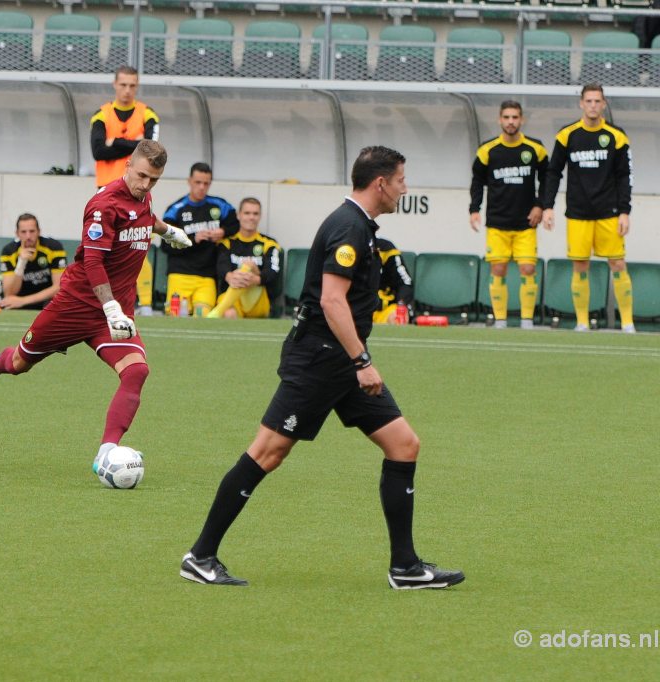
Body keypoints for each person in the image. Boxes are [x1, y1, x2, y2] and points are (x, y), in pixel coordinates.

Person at [180, 146, 464, 590]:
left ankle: (405, 567)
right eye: (402, 180)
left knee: (404, 444)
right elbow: (332, 301)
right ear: (381, 184)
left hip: (340, 361)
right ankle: (200, 555)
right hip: (320, 359)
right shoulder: (349, 227)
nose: (406, 188)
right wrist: (362, 361)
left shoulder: (361, 226)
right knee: (267, 452)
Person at [0, 141, 192, 470]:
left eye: (154, 180)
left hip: (113, 313)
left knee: (136, 371)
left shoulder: (143, 197)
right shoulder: (103, 205)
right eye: (142, 175)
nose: (145, 184)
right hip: (77, 305)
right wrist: (111, 308)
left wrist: (167, 231)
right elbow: (94, 264)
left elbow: (145, 218)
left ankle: (106, 453)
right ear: (128, 164)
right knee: (19, 363)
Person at [543, 84, 635, 333]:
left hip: (610, 211)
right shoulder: (567, 135)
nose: (593, 105)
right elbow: (553, 172)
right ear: (581, 104)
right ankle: (582, 322)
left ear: (603, 104)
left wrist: (625, 211)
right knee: (580, 265)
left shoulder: (616, 135)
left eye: (597, 101)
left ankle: (628, 323)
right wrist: (547, 207)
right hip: (578, 212)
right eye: (589, 101)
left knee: (617, 264)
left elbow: (624, 175)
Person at [469, 100, 548, 330]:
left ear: (521, 120)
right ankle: (500, 320)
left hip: (526, 223)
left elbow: (548, 178)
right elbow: (477, 182)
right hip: (497, 222)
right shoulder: (487, 150)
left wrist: (540, 205)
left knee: (527, 269)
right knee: (498, 269)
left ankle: (526, 321)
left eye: (515, 117)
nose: (511, 122)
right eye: (506, 117)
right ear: (499, 120)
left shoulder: (535, 148)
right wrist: (474, 209)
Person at [91, 66, 160, 318]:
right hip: (107, 193)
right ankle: (103, 301)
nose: (127, 90)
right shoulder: (101, 114)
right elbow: (98, 151)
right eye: (123, 85)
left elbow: (152, 151)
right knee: (102, 250)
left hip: (138, 192)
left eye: (132, 85)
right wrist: (133, 145)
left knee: (138, 244)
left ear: (137, 86)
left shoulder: (148, 114)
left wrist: (116, 143)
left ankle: (146, 303)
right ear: (114, 84)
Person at [162, 162, 239, 316]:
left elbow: (235, 225)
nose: (202, 187)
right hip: (180, 273)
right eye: (198, 182)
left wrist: (223, 231)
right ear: (189, 181)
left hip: (207, 276)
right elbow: (166, 246)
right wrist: (192, 239)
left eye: (206, 183)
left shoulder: (220, 206)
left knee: (203, 315)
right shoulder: (175, 210)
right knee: (175, 316)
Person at [207, 197, 281, 319]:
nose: (251, 217)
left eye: (255, 214)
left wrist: (255, 278)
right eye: (247, 213)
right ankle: (221, 310)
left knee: (249, 266)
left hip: (258, 301)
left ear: (260, 216)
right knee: (229, 313)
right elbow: (221, 266)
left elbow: (273, 273)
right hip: (232, 299)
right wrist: (231, 277)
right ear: (239, 215)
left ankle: (217, 312)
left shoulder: (269, 244)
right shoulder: (226, 242)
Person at [0, 213, 67, 310]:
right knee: (6, 303)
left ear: (39, 232)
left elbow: (59, 287)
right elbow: (9, 293)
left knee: (61, 302)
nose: (28, 236)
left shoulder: (53, 247)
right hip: (18, 298)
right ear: (17, 233)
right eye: (23, 232)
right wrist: (21, 263)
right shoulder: (9, 251)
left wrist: (23, 301)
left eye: (32, 231)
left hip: (46, 299)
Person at [372, 238, 414, 325]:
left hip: (383, 309)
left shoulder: (385, 248)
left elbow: (405, 282)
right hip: (353, 309)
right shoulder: (345, 249)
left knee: (398, 317)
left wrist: (401, 305)